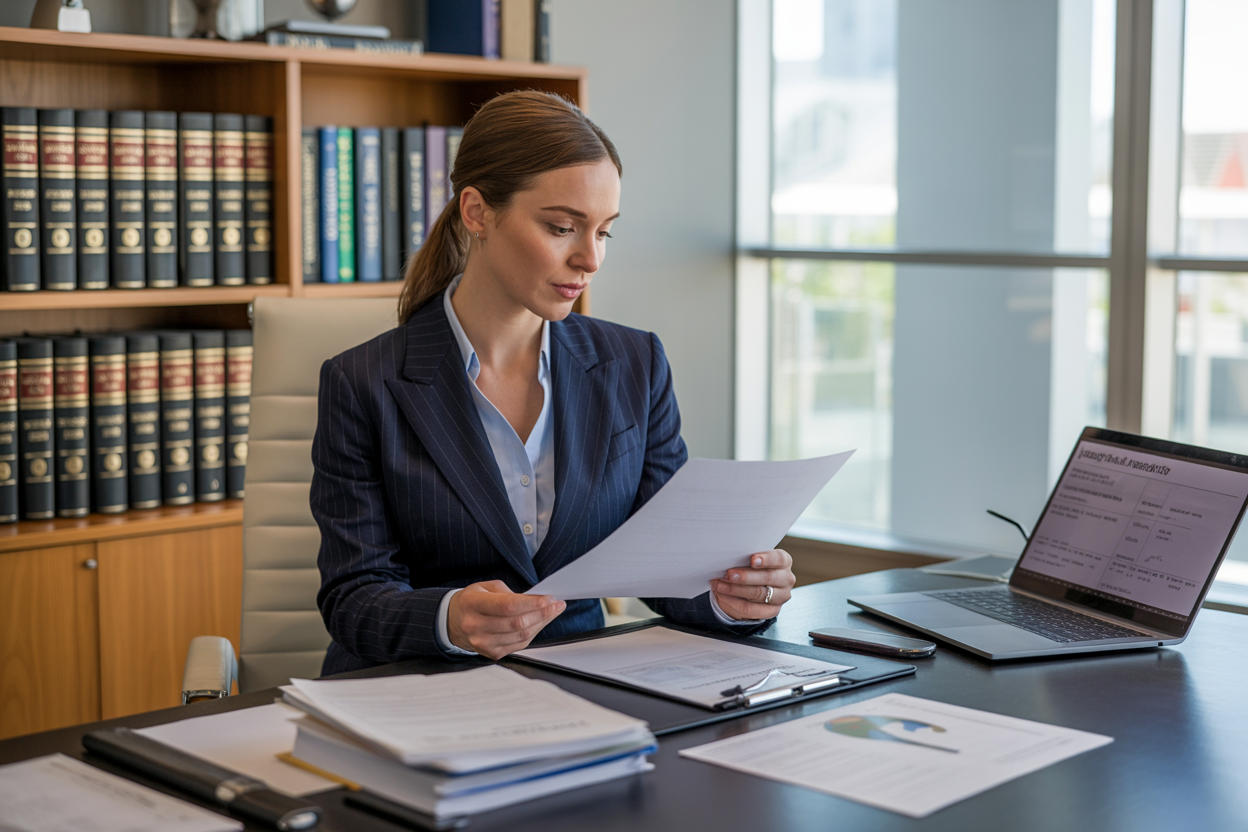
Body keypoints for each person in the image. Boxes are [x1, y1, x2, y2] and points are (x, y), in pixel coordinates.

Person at [311, 91, 796, 675]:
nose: (590, 259)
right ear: (477, 212)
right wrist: (448, 618)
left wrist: (733, 597)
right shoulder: (363, 382)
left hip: (577, 686)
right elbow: (353, 597)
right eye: (563, 227)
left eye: (605, 232)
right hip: (417, 690)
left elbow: (667, 570)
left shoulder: (633, 363)